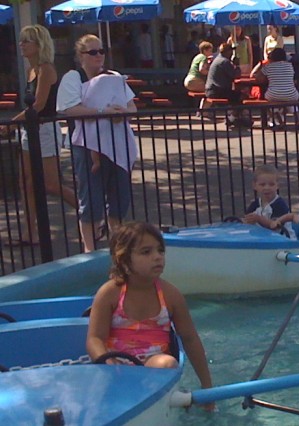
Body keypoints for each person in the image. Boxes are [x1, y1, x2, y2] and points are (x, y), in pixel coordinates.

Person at [86, 222, 214, 410]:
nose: (157, 257)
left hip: (153, 367)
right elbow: (95, 338)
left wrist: (207, 388)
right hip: (116, 367)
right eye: (146, 252)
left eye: (160, 251)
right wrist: (107, 361)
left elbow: (190, 339)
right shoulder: (110, 293)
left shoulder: (171, 295)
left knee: (168, 363)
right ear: (124, 259)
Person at [57, 34, 138, 252]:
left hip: (117, 144)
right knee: (91, 199)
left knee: (119, 199)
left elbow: (131, 106)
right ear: (81, 55)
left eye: (102, 51)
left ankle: (118, 247)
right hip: (87, 145)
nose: (99, 56)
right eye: (93, 52)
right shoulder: (73, 77)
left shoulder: (113, 76)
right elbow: (68, 109)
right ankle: (90, 249)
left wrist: (123, 113)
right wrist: (103, 112)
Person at [0, 24, 77, 246]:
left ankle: (90, 216)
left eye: (27, 41)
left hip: (45, 129)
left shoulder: (46, 69)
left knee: (51, 183)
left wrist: (12, 124)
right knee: (26, 182)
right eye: (22, 40)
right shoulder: (30, 71)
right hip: (30, 130)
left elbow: (40, 104)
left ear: (38, 45)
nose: (21, 45)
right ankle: (30, 233)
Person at [253, 47, 299, 128]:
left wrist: (260, 65)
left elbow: (256, 76)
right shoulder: (289, 66)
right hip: (291, 94)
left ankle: (279, 120)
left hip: (274, 94)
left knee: (269, 101)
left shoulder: (269, 66)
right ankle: (297, 121)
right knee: (291, 100)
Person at [243, 164, 294, 237]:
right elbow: (247, 219)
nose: (267, 188)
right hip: (264, 239)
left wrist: (259, 219)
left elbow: (274, 226)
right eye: (262, 184)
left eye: (271, 184)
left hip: (284, 240)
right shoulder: (255, 204)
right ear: (255, 185)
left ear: (277, 185)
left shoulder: (280, 205)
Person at [205, 43, 243, 126]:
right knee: (241, 97)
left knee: (235, 95)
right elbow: (236, 75)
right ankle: (231, 118)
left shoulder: (218, 59)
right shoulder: (224, 62)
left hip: (211, 90)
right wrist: (237, 65)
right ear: (227, 52)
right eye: (231, 51)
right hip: (217, 91)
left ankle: (233, 117)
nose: (232, 53)